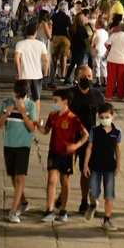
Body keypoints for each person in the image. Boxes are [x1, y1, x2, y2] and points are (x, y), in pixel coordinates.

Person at [39, 89, 89, 223]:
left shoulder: (73, 118)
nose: (53, 103)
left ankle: (63, 209)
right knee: (51, 179)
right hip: (53, 152)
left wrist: (76, 146)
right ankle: (49, 209)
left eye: (56, 101)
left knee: (64, 181)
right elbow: (46, 131)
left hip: (67, 155)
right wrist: (38, 125)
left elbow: (85, 135)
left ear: (65, 102)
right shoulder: (52, 115)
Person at [0, 79, 38, 223]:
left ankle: (14, 211)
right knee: (14, 178)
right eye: (17, 96)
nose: (19, 99)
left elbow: (32, 128)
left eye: (22, 96)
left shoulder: (31, 105)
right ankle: (24, 202)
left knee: (20, 178)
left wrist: (23, 113)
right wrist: (6, 114)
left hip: (23, 145)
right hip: (9, 144)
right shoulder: (6, 102)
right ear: (14, 92)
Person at [68, 66, 105, 214]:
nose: (88, 79)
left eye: (90, 76)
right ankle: (63, 197)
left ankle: (84, 201)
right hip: (71, 138)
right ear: (77, 78)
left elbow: (104, 115)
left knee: (86, 171)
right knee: (66, 172)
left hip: (89, 139)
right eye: (85, 76)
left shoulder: (97, 95)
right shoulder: (70, 94)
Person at [83, 103, 122, 231]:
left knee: (109, 194)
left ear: (112, 116)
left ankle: (107, 219)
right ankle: (93, 205)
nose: (104, 119)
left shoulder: (117, 132)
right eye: (102, 117)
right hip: (95, 166)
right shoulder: (94, 131)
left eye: (107, 117)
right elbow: (89, 148)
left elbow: (118, 149)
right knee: (93, 192)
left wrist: (118, 165)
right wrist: (85, 164)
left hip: (109, 167)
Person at [14, 23, 50, 113]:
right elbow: (46, 60)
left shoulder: (20, 44)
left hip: (24, 76)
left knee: (22, 98)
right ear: (35, 33)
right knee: (36, 99)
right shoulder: (41, 45)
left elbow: (16, 59)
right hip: (37, 76)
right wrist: (45, 74)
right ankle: (35, 120)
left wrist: (18, 73)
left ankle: (23, 118)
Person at [105, 22, 124, 102]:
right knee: (121, 79)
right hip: (122, 60)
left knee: (110, 78)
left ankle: (108, 95)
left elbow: (106, 44)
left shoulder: (114, 35)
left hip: (112, 58)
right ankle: (120, 96)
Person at [50, 2, 72, 81]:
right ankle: (62, 74)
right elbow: (68, 29)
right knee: (64, 57)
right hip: (65, 38)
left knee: (55, 56)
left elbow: (50, 26)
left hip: (55, 37)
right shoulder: (67, 17)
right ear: (64, 9)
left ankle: (54, 72)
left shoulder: (53, 16)